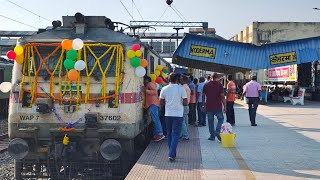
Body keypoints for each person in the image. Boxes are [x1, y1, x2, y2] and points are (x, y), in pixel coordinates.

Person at [160, 73, 188, 162]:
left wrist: (168, 101)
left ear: (169, 79)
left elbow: (161, 103)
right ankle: (172, 154)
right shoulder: (181, 89)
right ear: (177, 79)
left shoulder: (164, 89)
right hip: (178, 115)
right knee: (175, 134)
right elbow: (185, 103)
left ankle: (172, 153)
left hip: (168, 114)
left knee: (169, 134)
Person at [202, 73, 226, 141]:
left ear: (211, 77)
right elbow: (222, 96)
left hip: (209, 106)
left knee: (210, 121)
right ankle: (217, 131)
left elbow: (203, 95)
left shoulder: (206, 85)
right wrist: (225, 106)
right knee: (221, 119)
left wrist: (203, 104)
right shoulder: (219, 85)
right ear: (217, 77)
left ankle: (212, 136)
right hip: (218, 106)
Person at [144, 77, 165, 142]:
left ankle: (160, 133)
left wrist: (146, 90)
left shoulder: (150, 84)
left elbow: (154, 91)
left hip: (153, 103)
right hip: (153, 103)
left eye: (145, 79)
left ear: (147, 80)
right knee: (154, 119)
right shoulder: (150, 84)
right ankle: (157, 134)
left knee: (155, 119)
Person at [180, 75, 191, 140]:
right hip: (186, 106)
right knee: (185, 121)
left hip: (183, 105)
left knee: (182, 121)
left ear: (184, 80)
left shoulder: (183, 87)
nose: (180, 80)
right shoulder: (187, 87)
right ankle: (185, 133)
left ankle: (185, 135)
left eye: (181, 79)